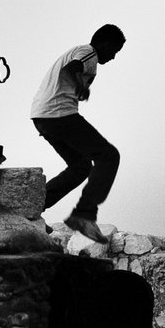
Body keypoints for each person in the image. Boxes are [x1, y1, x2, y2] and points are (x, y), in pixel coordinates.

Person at [33, 23, 125, 240]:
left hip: (42, 116)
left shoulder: (81, 52)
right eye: (114, 51)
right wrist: (81, 86)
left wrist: (79, 88)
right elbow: (73, 67)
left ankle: (31, 208)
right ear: (105, 43)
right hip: (59, 115)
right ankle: (84, 215)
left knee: (81, 167)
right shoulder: (88, 52)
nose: (113, 58)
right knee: (109, 156)